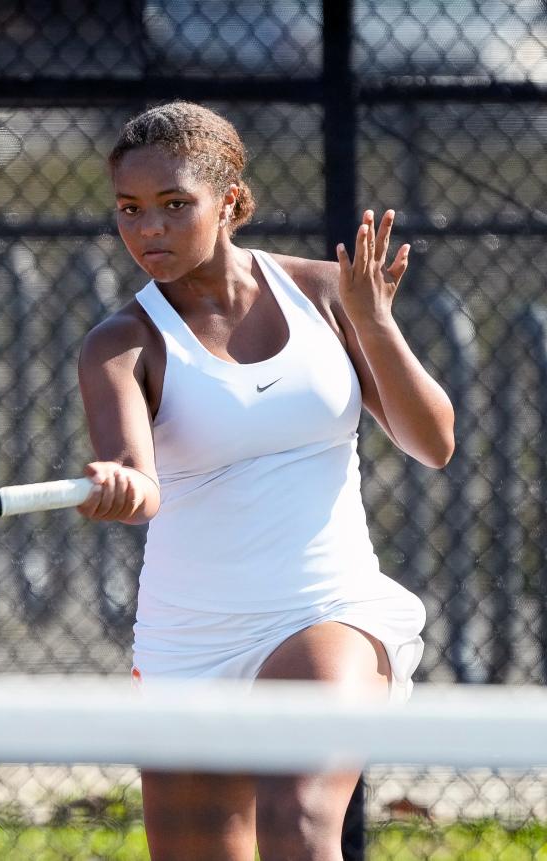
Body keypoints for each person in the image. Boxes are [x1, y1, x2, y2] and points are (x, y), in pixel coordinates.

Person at [75, 101, 455, 860]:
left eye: (175, 204)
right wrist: (119, 484)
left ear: (233, 202)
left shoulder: (327, 294)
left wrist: (374, 322)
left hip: (327, 610)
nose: (149, 229)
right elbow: (139, 479)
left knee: (300, 826)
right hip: (190, 639)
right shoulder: (119, 342)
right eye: (130, 209)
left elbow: (433, 442)